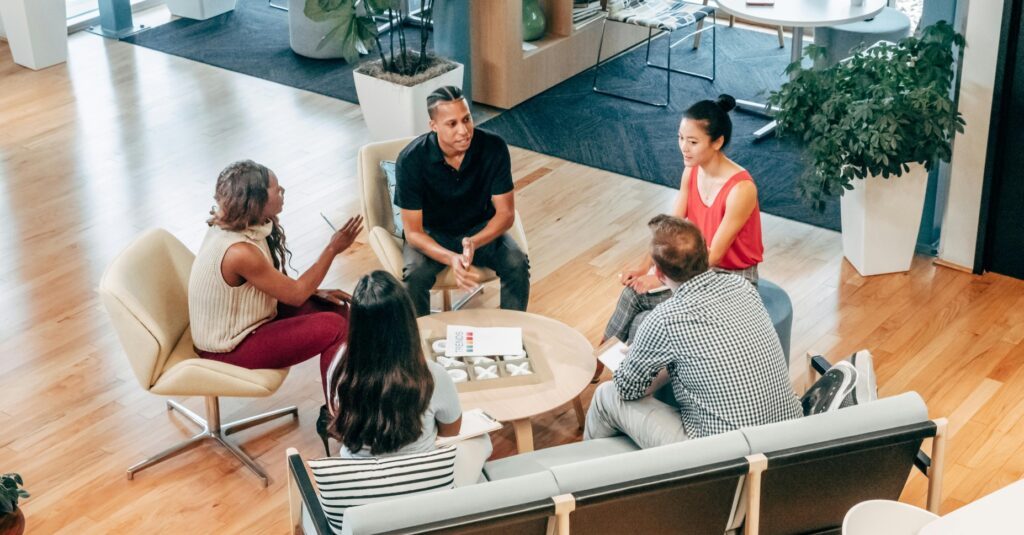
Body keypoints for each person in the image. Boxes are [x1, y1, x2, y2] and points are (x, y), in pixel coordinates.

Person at [188, 160, 363, 453]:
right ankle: (339, 420)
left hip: (249, 319)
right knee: (334, 328)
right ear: (254, 200)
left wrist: (313, 291)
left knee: (338, 311)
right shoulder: (239, 251)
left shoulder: (244, 228)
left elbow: (273, 286)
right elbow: (294, 296)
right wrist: (333, 248)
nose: (282, 190)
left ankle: (347, 408)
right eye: (275, 188)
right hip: (228, 346)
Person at [585, 215, 801, 449]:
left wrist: (641, 359)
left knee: (605, 397)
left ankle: (586, 477)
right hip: (787, 439)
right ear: (706, 253)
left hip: (722, 457)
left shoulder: (666, 319)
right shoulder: (743, 288)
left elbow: (626, 389)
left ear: (658, 274)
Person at [603, 94, 763, 345]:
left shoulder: (741, 189)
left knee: (646, 322)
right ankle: (596, 365)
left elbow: (715, 257)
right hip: (693, 267)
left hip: (732, 279)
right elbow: (669, 229)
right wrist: (644, 267)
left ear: (717, 142)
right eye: (680, 138)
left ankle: (627, 377)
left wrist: (661, 276)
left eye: (693, 141)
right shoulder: (691, 170)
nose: (683, 148)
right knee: (631, 296)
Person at [328, 271, 492, 486]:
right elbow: (451, 431)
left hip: (361, 483)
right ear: (406, 322)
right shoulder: (431, 375)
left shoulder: (340, 367)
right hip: (420, 484)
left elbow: (337, 413)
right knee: (481, 441)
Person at [395, 85, 530, 316]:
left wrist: (474, 242)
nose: (464, 131)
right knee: (415, 274)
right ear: (433, 126)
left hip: (479, 228)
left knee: (517, 263)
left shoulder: (493, 147)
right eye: (452, 124)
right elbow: (413, 232)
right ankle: (417, 342)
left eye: (466, 119)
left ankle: (511, 333)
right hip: (432, 233)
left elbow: (506, 214)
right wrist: (452, 257)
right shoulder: (410, 160)